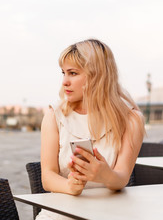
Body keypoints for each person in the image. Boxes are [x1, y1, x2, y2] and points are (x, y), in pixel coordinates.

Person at [36, 39, 145, 220]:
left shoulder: (131, 120)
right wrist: (71, 186)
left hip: (109, 215)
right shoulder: (54, 115)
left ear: (97, 75)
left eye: (73, 73)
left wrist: (105, 175)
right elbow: (47, 177)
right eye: (63, 73)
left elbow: (122, 178)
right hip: (60, 215)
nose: (64, 82)